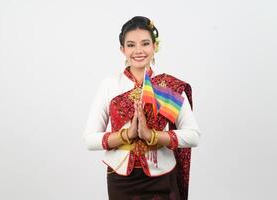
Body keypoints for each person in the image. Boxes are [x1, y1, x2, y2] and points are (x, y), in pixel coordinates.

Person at [83, 16, 201, 200]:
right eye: (131, 45)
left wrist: (151, 135)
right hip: (121, 180)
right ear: (122, 49)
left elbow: (193, 135)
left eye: (145, 43)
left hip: (162, 177)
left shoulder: (169, 86)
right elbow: (90, 139)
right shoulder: (110, 85)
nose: (138, 50)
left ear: (155, 46)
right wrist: (127, 135)